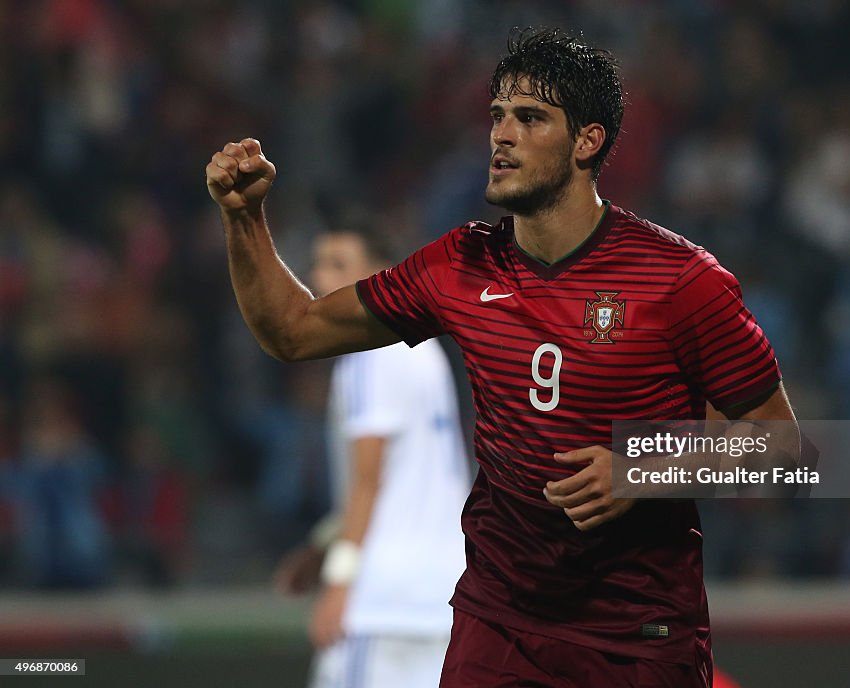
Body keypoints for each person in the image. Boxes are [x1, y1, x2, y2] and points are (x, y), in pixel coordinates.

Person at [206, 27, 798, 688]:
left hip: (638, 638)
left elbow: (785, 450)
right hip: (499, 627)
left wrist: (642, 469)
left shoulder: (679, 279)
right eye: (496, 116)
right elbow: (292, 331)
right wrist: (245, 220)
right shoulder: (458, 265)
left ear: (587, 141)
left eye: (530, 118)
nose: (501, 134)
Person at [272, 223, 470, 688]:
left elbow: (369, 480)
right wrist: (326, 545)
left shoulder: (367, 351)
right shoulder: (427, 350)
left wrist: (340, 583)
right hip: (445, 598)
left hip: (381, 603)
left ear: (382, 275)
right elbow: (409, 480)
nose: (320, 279)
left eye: (339, 265)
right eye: (319, 264)